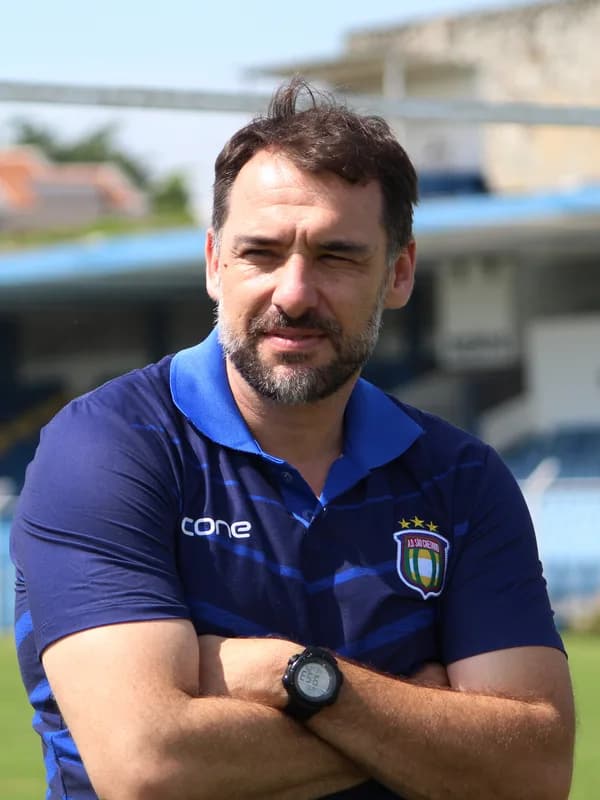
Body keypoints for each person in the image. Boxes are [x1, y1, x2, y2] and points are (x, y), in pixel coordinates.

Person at [11, 78, 574, 800]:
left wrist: (294, 677)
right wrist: (420, 713)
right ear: (215, 263)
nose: (296, 293)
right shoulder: (110, 448)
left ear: (399, 272)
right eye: (262, 253)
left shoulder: (460, 477)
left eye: (337, 256)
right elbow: (148, 765)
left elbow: (531, 771)